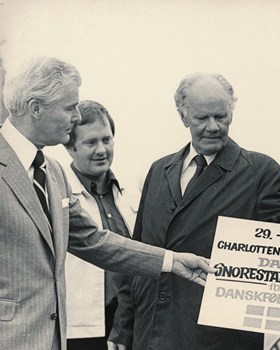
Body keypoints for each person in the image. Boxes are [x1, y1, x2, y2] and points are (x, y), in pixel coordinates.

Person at [0, 56, 215, 350]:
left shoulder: (53, 173)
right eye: (69, 108)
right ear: (36, 108)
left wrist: (172, 261)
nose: (76, 117)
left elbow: (93, 240)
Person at [108, 72, 280, 350]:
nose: (213, 127)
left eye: (221, 117)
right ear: (183, 116)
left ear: (232, 113)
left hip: (218, 340)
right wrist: (123, 330)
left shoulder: (260, 173)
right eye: (201, 118)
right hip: (150, 335)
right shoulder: (159, 171)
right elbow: (138, 257)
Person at [61, 100, 141, 350]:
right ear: (70, 148)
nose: (101, 150)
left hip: (130, 324)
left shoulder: (133, 192)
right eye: (90, 142)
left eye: (106, 140)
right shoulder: (58, 193)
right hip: (80, 328)